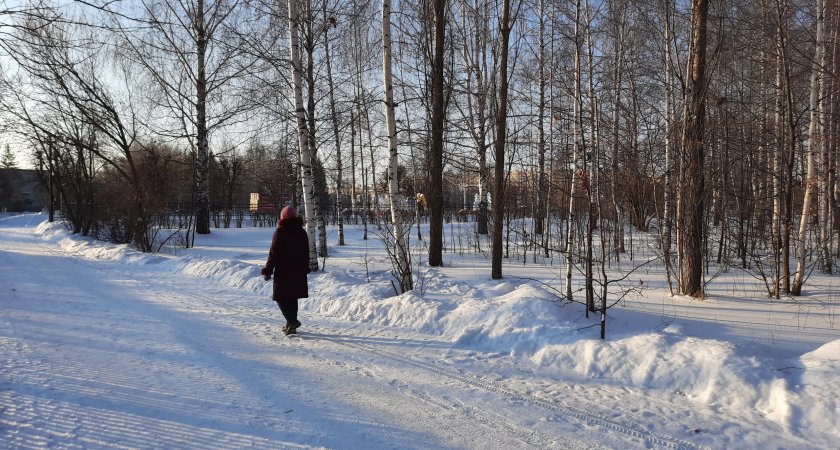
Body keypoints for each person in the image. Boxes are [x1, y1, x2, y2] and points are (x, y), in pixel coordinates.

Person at [261, 206, 310, 335]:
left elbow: (274, 253)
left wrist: (268, 270)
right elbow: (306, 252)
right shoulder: (302, 231)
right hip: (299, 270)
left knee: (280, 297)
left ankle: (292, 321)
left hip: (284, 270)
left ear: (282, 217)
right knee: (292, 297)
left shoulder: (280, 231)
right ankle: (290, 325)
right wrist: (305, 267)